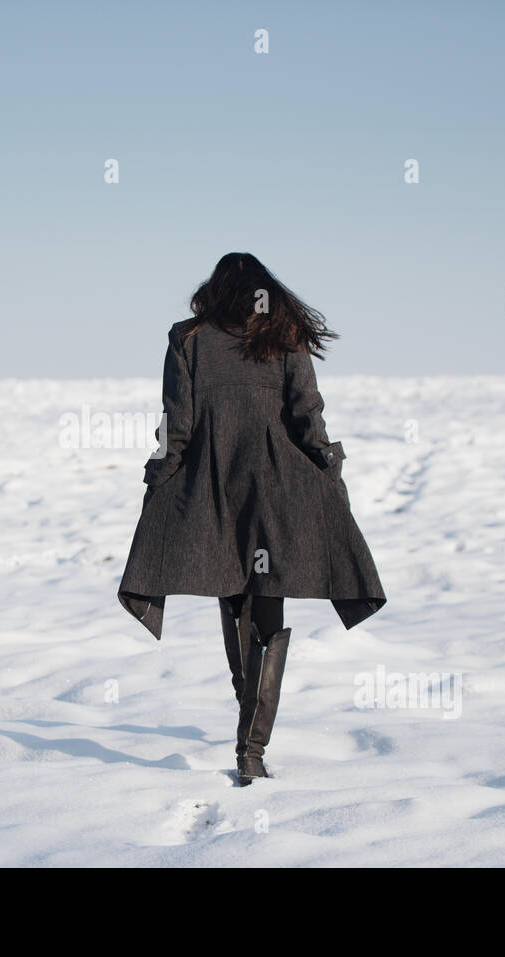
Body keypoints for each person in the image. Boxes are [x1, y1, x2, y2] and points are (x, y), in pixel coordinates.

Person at [117, 252, 387, 786]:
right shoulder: (283, 335)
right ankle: (252, 748)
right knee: (266, 600)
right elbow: (307, 414)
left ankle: (250, 735)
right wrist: (328, 468)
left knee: (233, 595)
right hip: (279, 484)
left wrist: (162, 476)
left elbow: (178, 419)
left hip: (216, 486)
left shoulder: (189, 338)